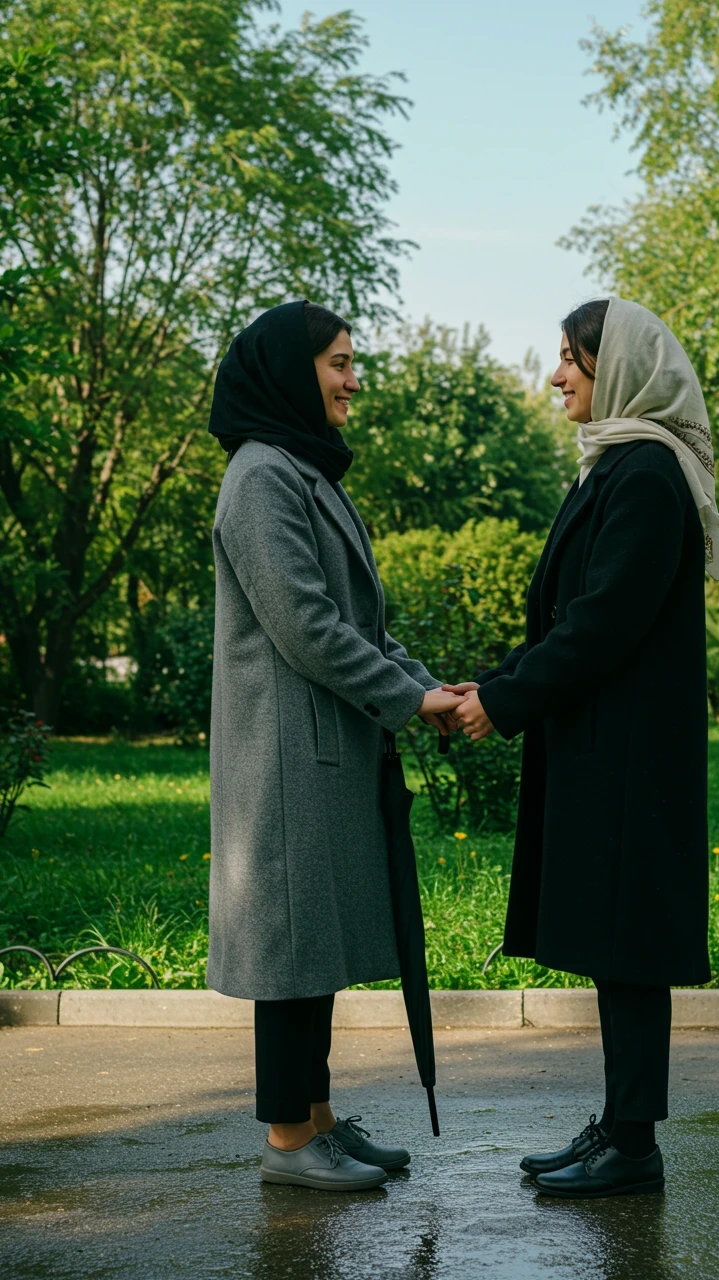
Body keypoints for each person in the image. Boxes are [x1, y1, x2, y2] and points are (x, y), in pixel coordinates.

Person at [448, 297, 719, 1200]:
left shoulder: (645, 473)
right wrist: (492, 681)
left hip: (632, 760)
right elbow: (567, 618)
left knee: (632, 946)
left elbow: (602, 625)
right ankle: (619, 1127)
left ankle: (634, 1147)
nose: (557, 375)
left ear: (619, 368)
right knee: (618, 943)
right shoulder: (618, 467)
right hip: (610, 749)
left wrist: (508, 701)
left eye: (572, 358)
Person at [207, 300, 462, 1192]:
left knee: (313, 943)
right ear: (291, 373)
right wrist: (409, 696)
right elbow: (307, 625)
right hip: (283, 755)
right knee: (290, 948)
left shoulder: (299, 469)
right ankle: (287, 1142)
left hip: (317, 747)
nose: (356, 380)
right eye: (340, 364)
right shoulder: (261, 476)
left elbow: (360, 621)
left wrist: (425, 687)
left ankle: (316, 1121)